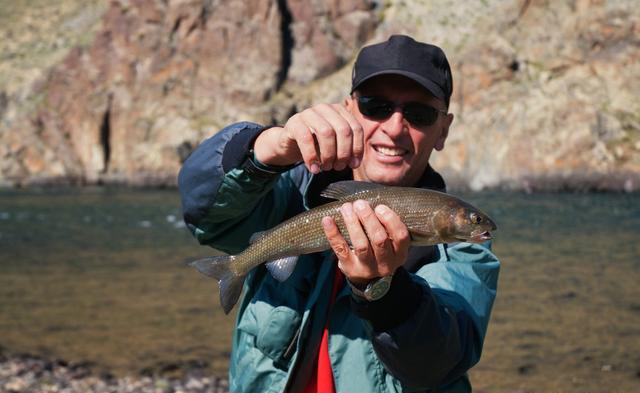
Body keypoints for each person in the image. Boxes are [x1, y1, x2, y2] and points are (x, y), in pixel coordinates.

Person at [179, 35, 500, 393]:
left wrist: (383, 292)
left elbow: (439, 362)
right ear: (349, 109)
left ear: (444, 128)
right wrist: (265, 149)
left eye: (419, 114)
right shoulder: (288, 191)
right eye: (376, 106)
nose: (394, 128)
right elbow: (203, 212)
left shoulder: (465, 253)